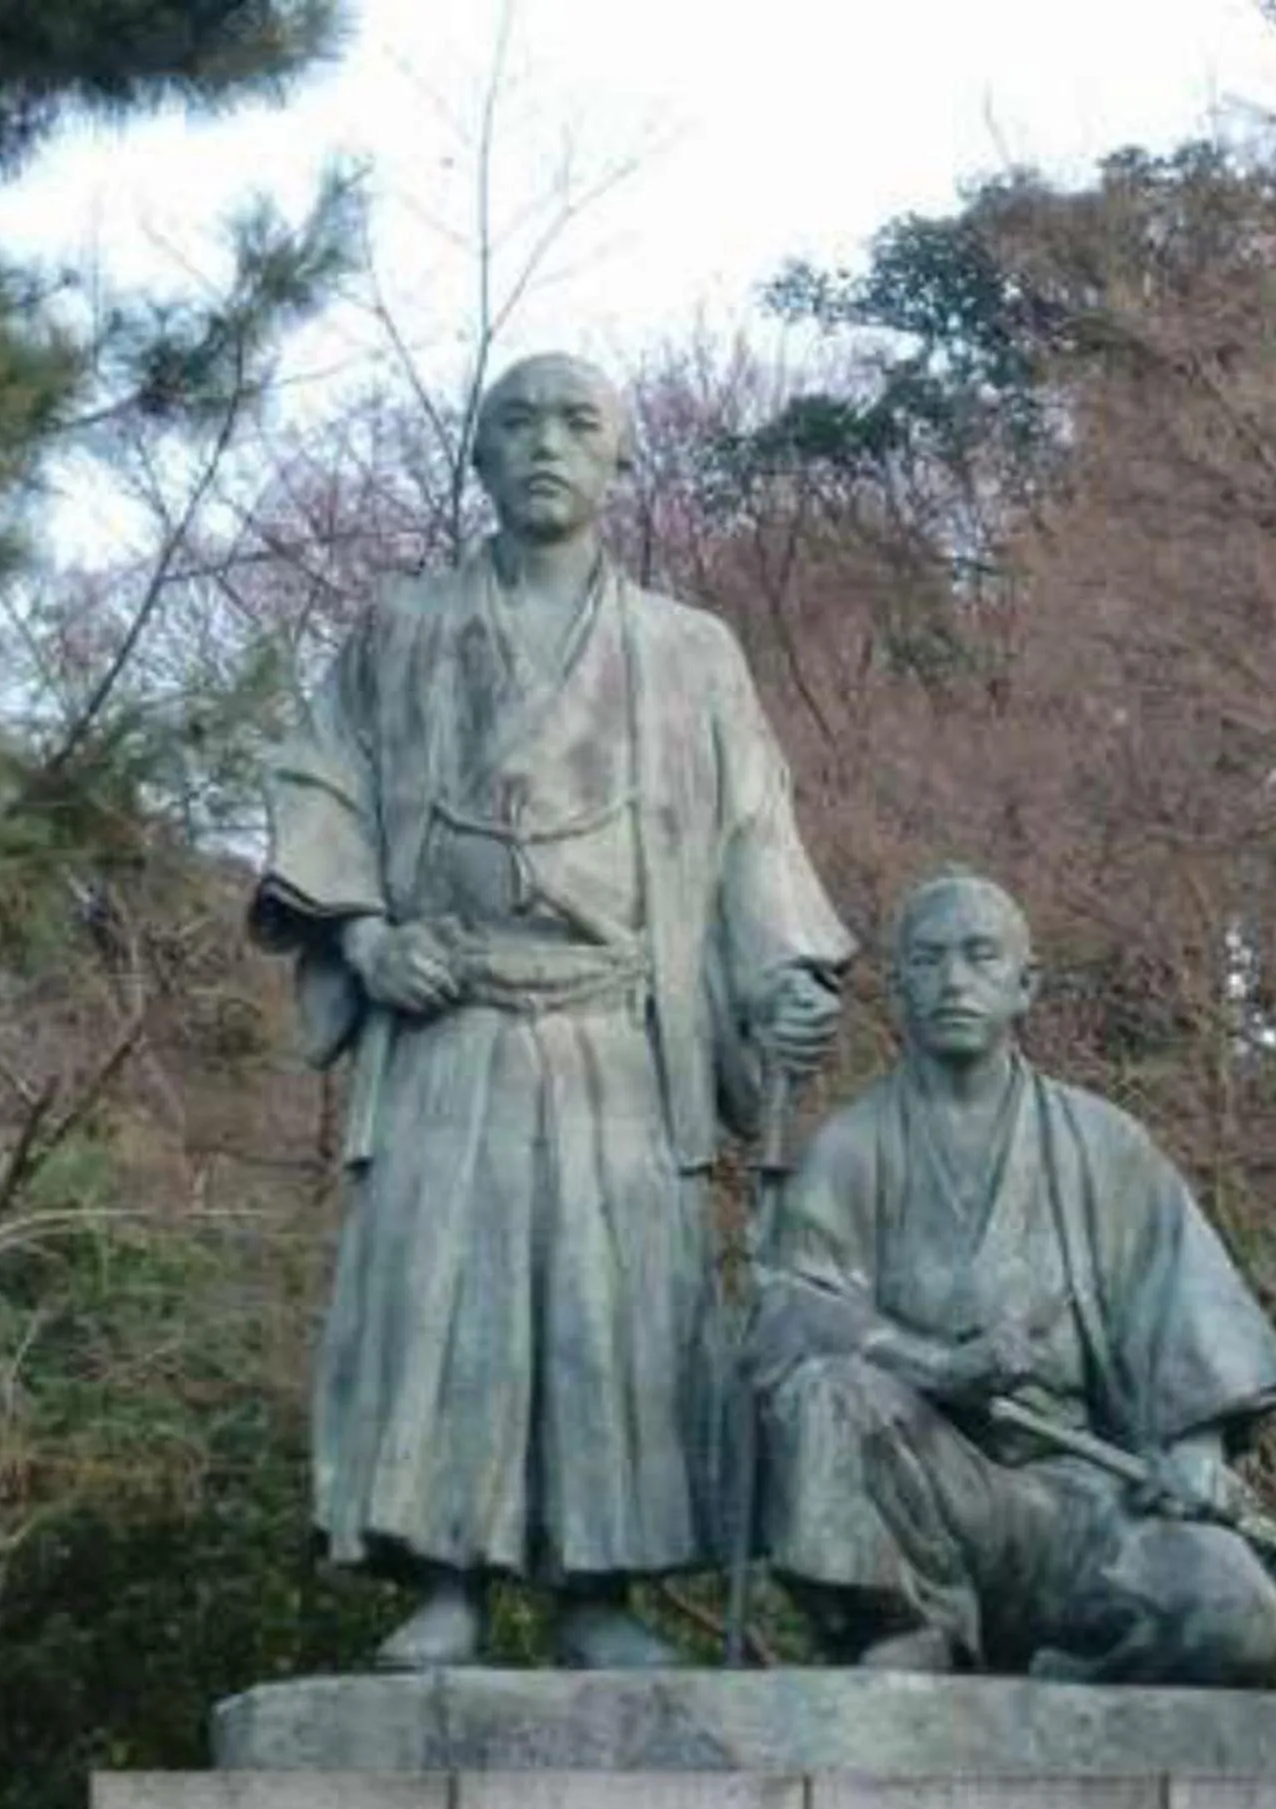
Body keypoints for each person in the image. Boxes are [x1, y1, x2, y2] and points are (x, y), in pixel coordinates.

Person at [251, 353, 853, 1672]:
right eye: (516, 422)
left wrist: (777, 983)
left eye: (579, 424)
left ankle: (600, 1592)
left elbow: (753, 834)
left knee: (616, 1308)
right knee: (436, 1296)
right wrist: (367, 936)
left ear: (621, 461)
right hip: (449, 1016)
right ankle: (445, 1579)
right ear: (477, 456)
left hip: (619, 1030)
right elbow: (319, 783)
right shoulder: (401, 628)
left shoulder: (689, 651)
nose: (546, 444)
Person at [748, 872, 1276, 1684]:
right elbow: (790, 1319)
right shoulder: (850, 1150)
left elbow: (1189, 1321)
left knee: (1237, 1611)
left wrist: (1195, 1449)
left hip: (1081, 1502)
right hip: (924, 1482)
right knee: (825, 1390)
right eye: (928, 961)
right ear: (898, 990)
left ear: (1025, 984)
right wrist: (939, 1366)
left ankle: (1063, 1685)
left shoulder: (1106, 1147)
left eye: (980, 957)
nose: (954, 982)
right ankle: (904, 1623)